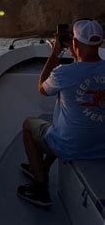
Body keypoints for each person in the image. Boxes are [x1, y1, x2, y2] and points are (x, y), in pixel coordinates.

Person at [17, 19, 105, 207]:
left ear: (74, 42)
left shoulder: (64, 73)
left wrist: (55, 53)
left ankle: (40, 187)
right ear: (100, 42)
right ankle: (43, 168)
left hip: (73, 147)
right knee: (63, 124)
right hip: (102, 147)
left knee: (28, 125)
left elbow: (42, 87)